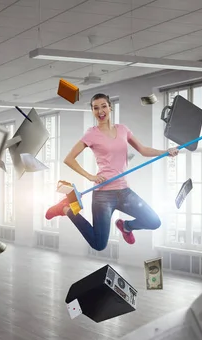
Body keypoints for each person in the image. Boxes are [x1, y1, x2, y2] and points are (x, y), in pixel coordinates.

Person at [45, 93, 178, 251]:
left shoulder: (123, 130)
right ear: (93, 111)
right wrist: (91, 176)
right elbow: (69, 159)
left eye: (103, 106)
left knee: (154, 221)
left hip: (124, 192)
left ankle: (126, 226)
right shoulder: (91, 133)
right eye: (95, 108)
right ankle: (66, 209)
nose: (100, 111)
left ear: (110, 108)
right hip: (103, 195)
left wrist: (166, 151)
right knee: (99, 245)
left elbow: (143, 150)